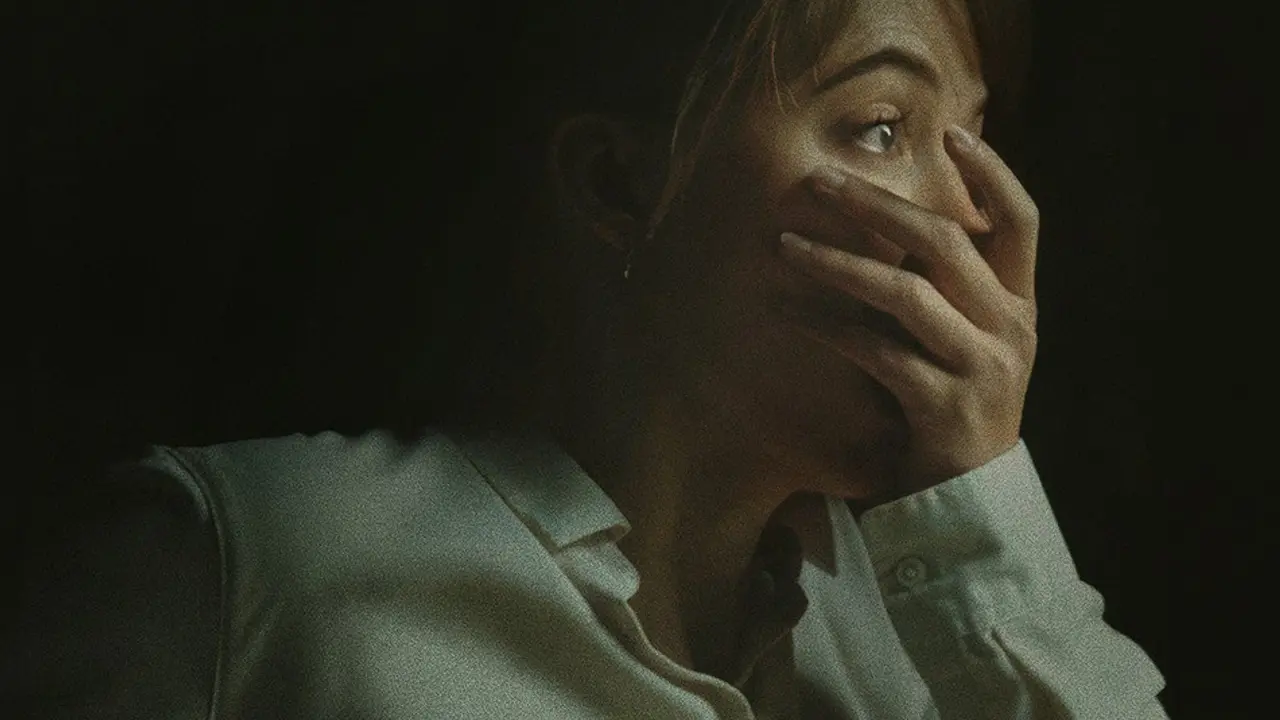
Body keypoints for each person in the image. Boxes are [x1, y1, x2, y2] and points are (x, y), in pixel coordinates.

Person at [13, 0, 1168, 717]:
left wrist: (980, 520)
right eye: (881, 127)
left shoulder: (922, 632)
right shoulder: (247, 567)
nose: (975, 222)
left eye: (975, 139)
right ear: (616, 185)